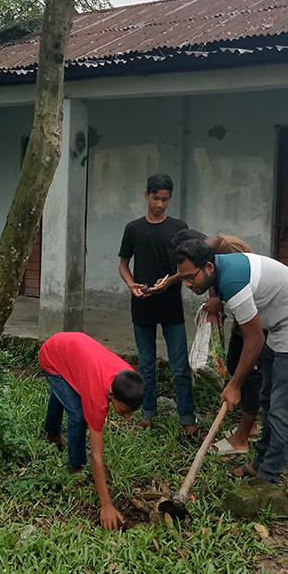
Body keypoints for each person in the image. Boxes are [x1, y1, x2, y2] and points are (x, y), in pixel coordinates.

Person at [173, 239, 288, 485]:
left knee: (282, 407)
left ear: (208, 267)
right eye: (184, 279)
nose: (189, 284)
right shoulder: (219, 268)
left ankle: (268, 478)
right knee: (266, 398)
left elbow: (254, 339)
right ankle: (260, 464)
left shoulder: (233, 282)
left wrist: (234, 385)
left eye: (191, 277)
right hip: (276, 326)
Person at [118, 173, 201, 439]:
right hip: (142, 303)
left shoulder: (179, 227)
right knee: (146, 365)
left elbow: (186, 266)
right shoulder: (133, 229)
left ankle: (187, 420)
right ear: (146, 196)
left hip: (171, 303)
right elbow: (123, 264)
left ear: (170, 199)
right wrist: (132, 285)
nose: (160, 204)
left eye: (165, 199)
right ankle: (147, 416)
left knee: (179, 366)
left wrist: (170, 281)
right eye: (156, 198)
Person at [39, 332, 145, 530]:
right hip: (52, 356)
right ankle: (75, 466)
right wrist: (106, 504)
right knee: (78, 415)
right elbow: (97, 456)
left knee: (66, 394)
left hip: (71, 350)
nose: (128, 417)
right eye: (124, 411)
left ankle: (52, 434)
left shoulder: (128, 376)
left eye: (132, 412)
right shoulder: (98, 399)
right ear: (111, 394)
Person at [171, 229, 261, 455]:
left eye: (189, 277)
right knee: (233, 364)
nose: (189, 284)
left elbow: (247, 288)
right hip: (242, 321)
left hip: (257, 324)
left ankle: (245, 433)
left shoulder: (230, 248)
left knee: (250, 375)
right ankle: (246, 425)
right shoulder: (210, 259)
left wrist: (218, 301)